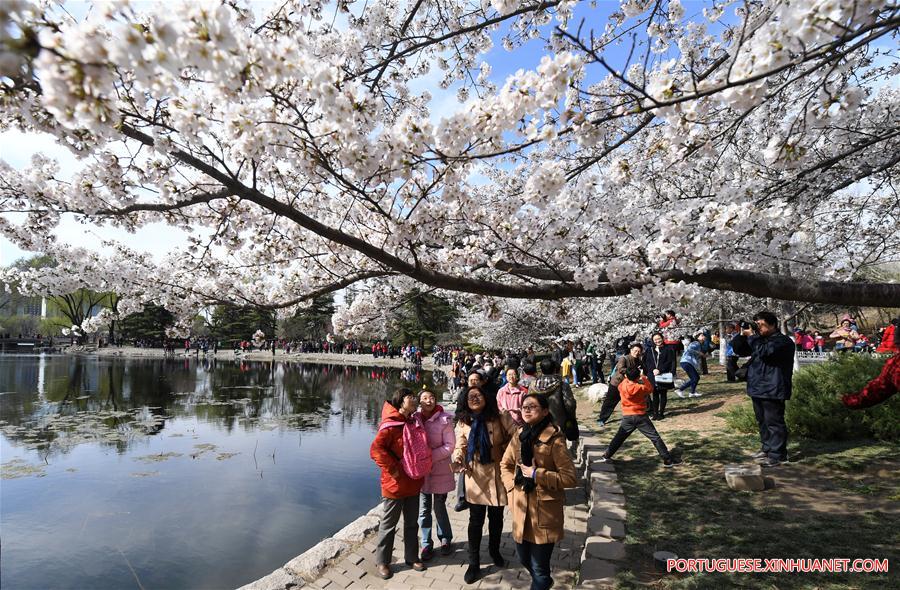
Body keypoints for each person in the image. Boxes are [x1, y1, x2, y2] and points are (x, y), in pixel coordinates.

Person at [499, 393, 578, 590]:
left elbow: (569, 478)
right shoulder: (519, 435)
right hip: (520, 508)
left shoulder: (554, 439)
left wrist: (537, 474)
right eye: (524, 406)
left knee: (539, 569)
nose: (526, 409)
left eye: (532, 406)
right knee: (523, 558)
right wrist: (511, 488)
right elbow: (505, 464)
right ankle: (544, 581)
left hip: (544, 512)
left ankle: (542, 583)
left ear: (544, 412)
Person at [452, 386, 518, 584]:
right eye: (470, 396)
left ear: (486, 397)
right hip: (476, 475)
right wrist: (458, 458)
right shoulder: (464, 422)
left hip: (497, 472)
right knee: (476, 520)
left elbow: (516, 436)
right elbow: (460, 445)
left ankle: (494, 550)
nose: (474, 398)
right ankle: (474, 563)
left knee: (496, 517)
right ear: (465, 401)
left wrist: (506, 453)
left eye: (478, 395)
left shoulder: (500, 416)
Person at [370, 388, 427, 579]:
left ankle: (412, 557)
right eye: (411, 397)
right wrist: (393, 469)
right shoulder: (391, 424)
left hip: (413, 480)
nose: (415, 399)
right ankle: (383, 561)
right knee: (388, 524)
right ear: (401, 401)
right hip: (394, 483)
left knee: (412, 523)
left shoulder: (414, 421)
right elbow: (376, 450)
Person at [731, 311, 795, 468]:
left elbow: (765, 352)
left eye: (760, 324)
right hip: (757, 386)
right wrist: (742, 334)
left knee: (774, 422)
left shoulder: (782, 341)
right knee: (762, 421)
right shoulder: (759, 340)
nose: (757, 328)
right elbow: (740, 350)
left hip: (773, 387)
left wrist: (753, 336)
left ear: (772, 324)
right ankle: (767, 448)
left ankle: (778, 455)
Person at [598, 366, 680, 467]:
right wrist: (643, 377)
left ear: (626, 376)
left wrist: (632, 375)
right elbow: (650, 388)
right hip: (640, 416)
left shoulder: (622, 385)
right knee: (655, 438)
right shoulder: (640, 387)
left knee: (619, 438)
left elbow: (627, 379)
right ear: (637, 377)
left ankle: (606, 455)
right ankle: (667, 460)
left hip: (627, 416)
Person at [416, 389, 455, 560]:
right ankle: (426, 543)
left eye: (431, 397)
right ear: (419, 402)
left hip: (440, 470)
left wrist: (430, 456)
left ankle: (445, 538)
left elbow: (450, 445)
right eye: (424, 398)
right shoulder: (414, 419)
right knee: (424, 509)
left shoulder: (444, 419)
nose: (429, 401)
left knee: (439, 507)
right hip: (422, 473)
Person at [526, 359, 579, 445]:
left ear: (541, 370)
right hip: (558, 423)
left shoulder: (533, 385)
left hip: (537, 422)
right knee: (558, 448)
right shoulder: (562, 385)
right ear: (554, 370)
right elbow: (570, 404)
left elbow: (528, 403)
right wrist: (570, 417)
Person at [597, 342, 643, 427]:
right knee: (610, 402)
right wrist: (632, 371)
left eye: (639, 351)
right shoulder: (624, 359)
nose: (637, 353)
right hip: (617, 383)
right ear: (631, 350)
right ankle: (602, 418)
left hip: (629, 385)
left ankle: (631, 418)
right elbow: (620, 369)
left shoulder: (639, 360)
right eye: (635, 351)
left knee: (629, 402)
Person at [644, 332, 676, 420]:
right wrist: (652, 370)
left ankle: (661, 413)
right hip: (652, 375)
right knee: (654, 394)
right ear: (653, 341)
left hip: (664, 374)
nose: (657, 341)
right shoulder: (649, 350)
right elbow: (646, 362)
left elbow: (671, 362)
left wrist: (661, 370)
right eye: (655, 339)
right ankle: (655, 413)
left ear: (662, 338)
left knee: (663, 393)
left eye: (659, 338)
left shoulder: (669, 349)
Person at [676, 333, 704, 398]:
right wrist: (699, 353)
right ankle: (680, 390)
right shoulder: (696, 343)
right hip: (686, 362)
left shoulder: (699, 344)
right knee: (695, 378)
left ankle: (692, 392)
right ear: (697, 337)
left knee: (696, 378)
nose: (704, 336)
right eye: (702, 335)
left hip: (687, 362)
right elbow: (689, 349)